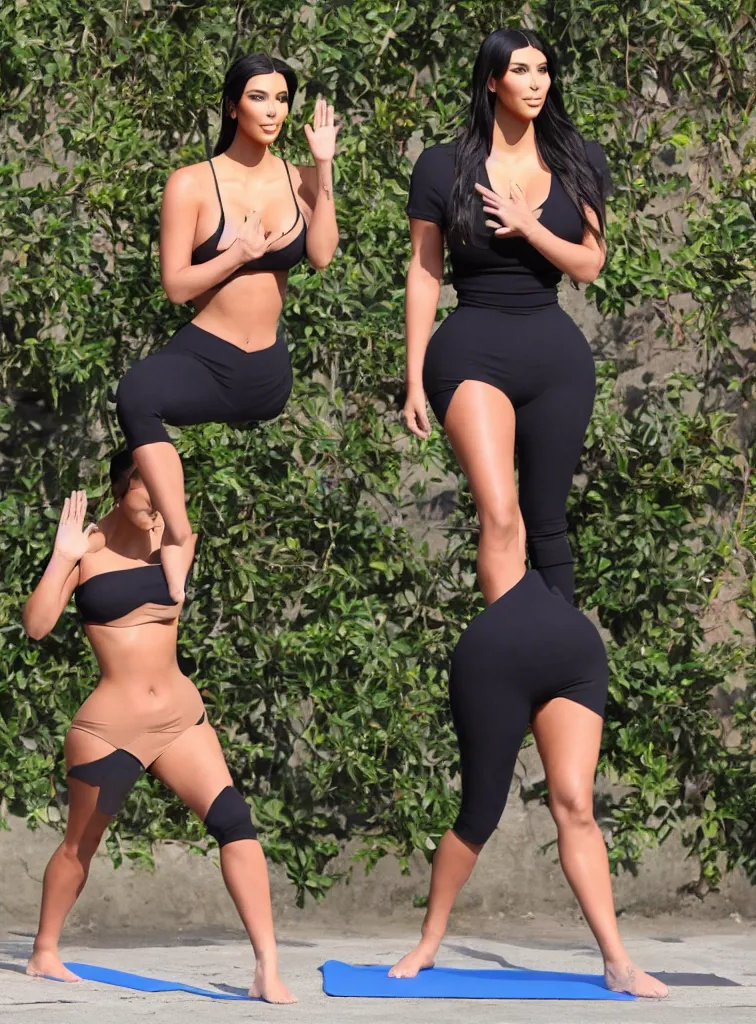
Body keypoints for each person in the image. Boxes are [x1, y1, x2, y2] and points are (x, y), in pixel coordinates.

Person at [21, 450, 296, 1003]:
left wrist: (170, 525)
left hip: (179, 719)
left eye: (169, 495)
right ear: (121, 490)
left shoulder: (175, 536)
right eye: (150, 496)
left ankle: (267, 964)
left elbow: (177, 575)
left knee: (235, 822)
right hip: (110, 728)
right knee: (81, 845)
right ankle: (44, 951)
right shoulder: (86, 549)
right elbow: (37, 627)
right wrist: (61, 558)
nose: (161, 507)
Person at [115, 52, 340, 603]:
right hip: (205, 355)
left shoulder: (300, 178)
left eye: (282, 99)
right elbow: (176, 286)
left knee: (145, 398)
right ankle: (178, 532)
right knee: (136, 395)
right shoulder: (191, 184)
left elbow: (322, 256)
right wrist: (236, 254)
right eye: (259, 97)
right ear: (233, 104)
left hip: (265, 375)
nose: (273, 111)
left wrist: (325, 168)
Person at [403, 27, 611, 606]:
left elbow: (590, 265)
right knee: (500, 515)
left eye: (542, 69)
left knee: (547, 522)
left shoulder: (579, 158)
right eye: (520, 70)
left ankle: (559, 668)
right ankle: (509, 652)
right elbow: (424, 273)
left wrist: (531, 227)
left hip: (556, 360)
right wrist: (413, 378)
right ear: (492, 80)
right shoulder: (442, 166)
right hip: (471, 353)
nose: (536, 82)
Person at [390, 569, 668, 998]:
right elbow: (501, 521)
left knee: (576, 805)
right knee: (478, 818)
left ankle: (618, 964)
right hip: (495, 660)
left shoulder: (550, 511)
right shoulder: (505, 526)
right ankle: (429, 942)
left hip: (573, 659)